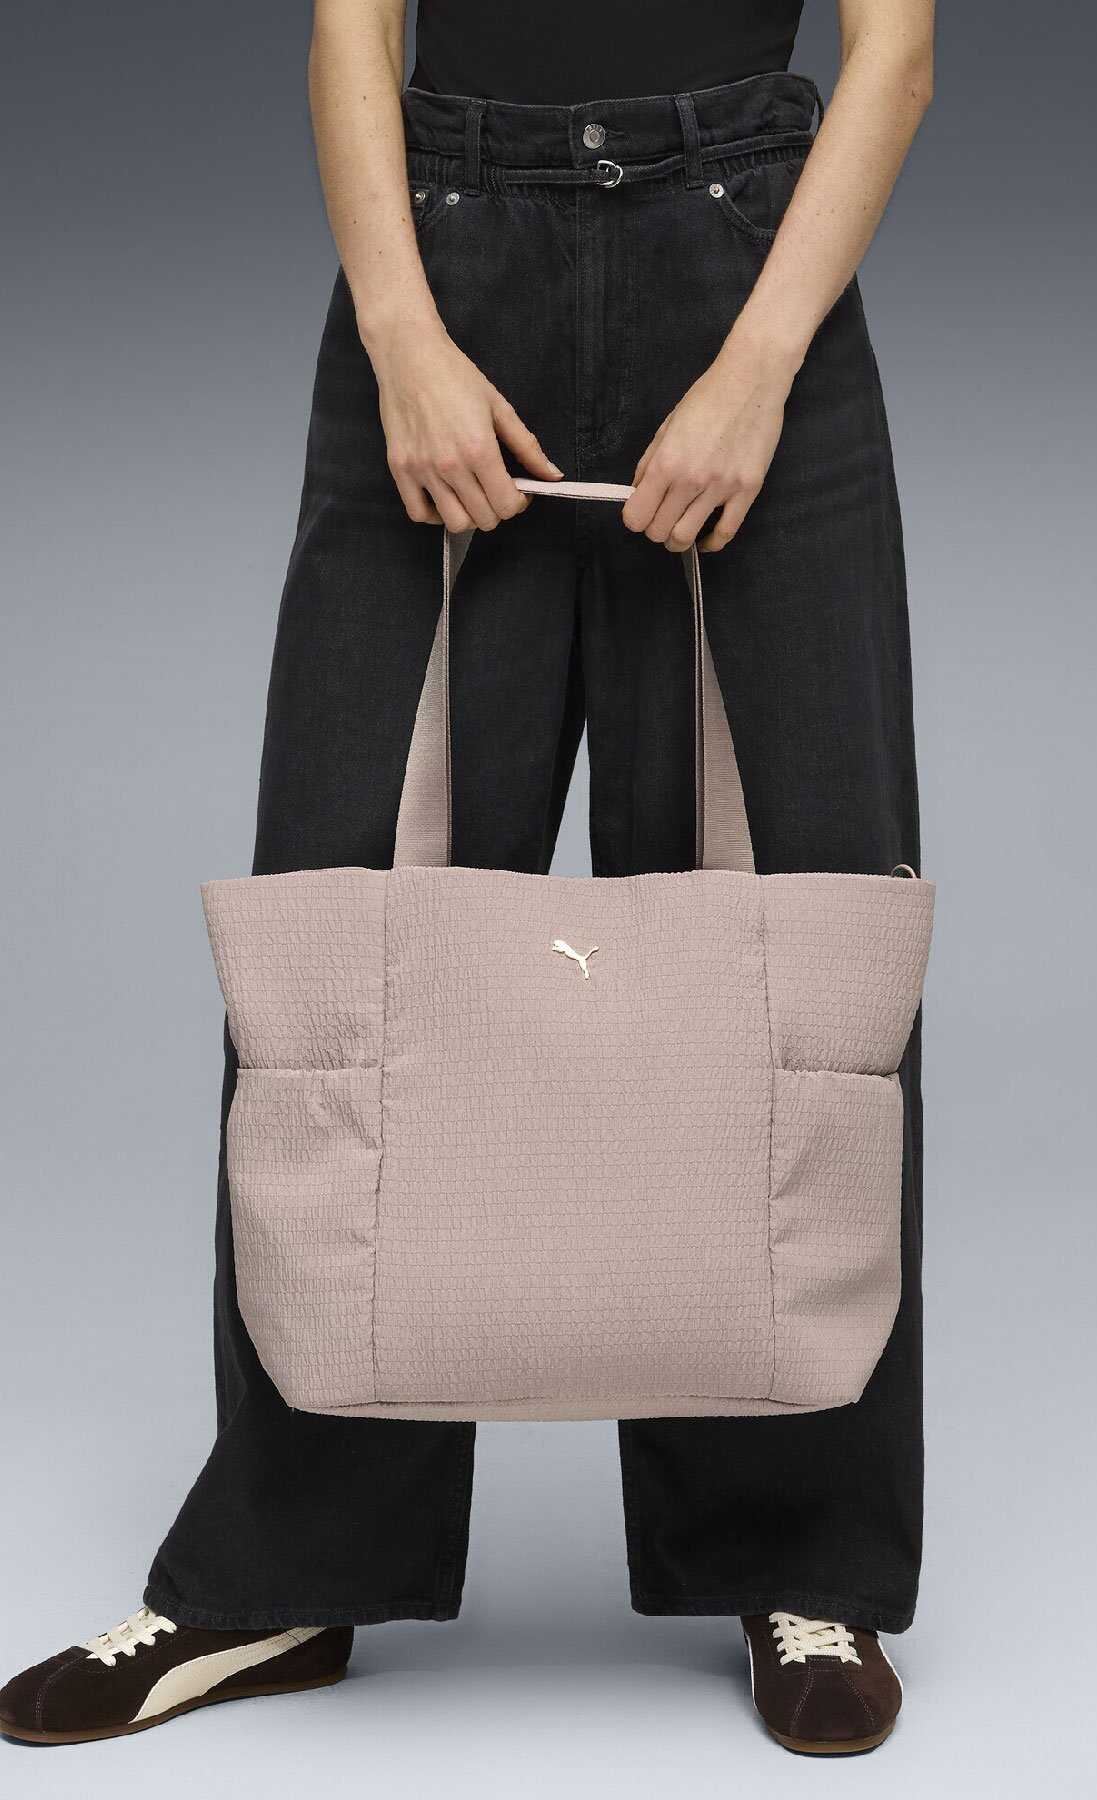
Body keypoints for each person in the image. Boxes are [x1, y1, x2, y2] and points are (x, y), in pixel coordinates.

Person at [0, 0, 934, 1757]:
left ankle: (799, 1552)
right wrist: (397, 332)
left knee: (800, 936)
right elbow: (354, 23)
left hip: (751, 270)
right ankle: (285, 1569)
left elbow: (895, 49)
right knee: (341, 935)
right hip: (442, 271)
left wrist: (759, 368)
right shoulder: (408, 322)